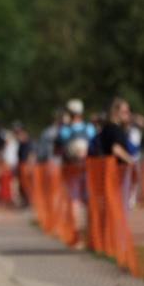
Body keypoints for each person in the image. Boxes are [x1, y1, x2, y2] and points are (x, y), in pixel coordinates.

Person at [58, 99, 96, 247]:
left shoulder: (65, 130)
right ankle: (91, 236)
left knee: (75, 202)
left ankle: (79, 237)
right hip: (88, 168)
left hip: (71, 169)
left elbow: (60, 147)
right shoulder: (89, 128)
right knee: (87, 202)